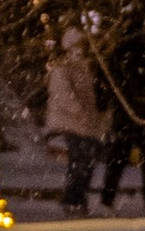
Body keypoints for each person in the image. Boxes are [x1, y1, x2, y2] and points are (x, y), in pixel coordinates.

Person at [100, 10, 145, 212]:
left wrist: (110, 102)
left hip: (128, 112)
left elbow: (110, 83)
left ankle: (108, 197)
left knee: (119, 157)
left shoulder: (119, 51)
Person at [42, 19, 104, 215]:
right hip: (72, 122)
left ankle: (77, 198)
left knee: (84, 162)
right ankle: (73, 198)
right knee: (80, 162)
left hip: (82, 122)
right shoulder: (63, 68)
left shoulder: (82, 67)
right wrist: (83, 113)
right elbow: (65, 97)